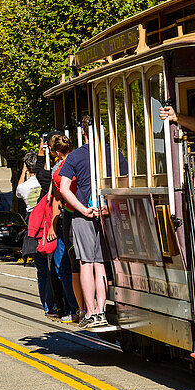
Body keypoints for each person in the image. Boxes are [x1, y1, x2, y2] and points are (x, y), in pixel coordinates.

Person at [57, 123, 116, 328]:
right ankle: (101, 310)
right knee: (100, 264)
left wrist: (82, 209)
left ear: (83, 131)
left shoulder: (75, 156)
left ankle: (90, 312)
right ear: (105, 130)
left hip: (84, 215)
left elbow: (64, 189)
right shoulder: (114, 153)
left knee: (85, 263)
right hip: (106, 213)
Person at [47, 134, 81, 322]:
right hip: (77, 214)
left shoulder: (59, 169)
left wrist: (53, 224)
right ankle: (78, 307)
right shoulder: (82, 159)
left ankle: (77, 308)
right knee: (69, 265)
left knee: (66, 266)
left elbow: (58, 198)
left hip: (70, 216)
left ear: (55, 152)